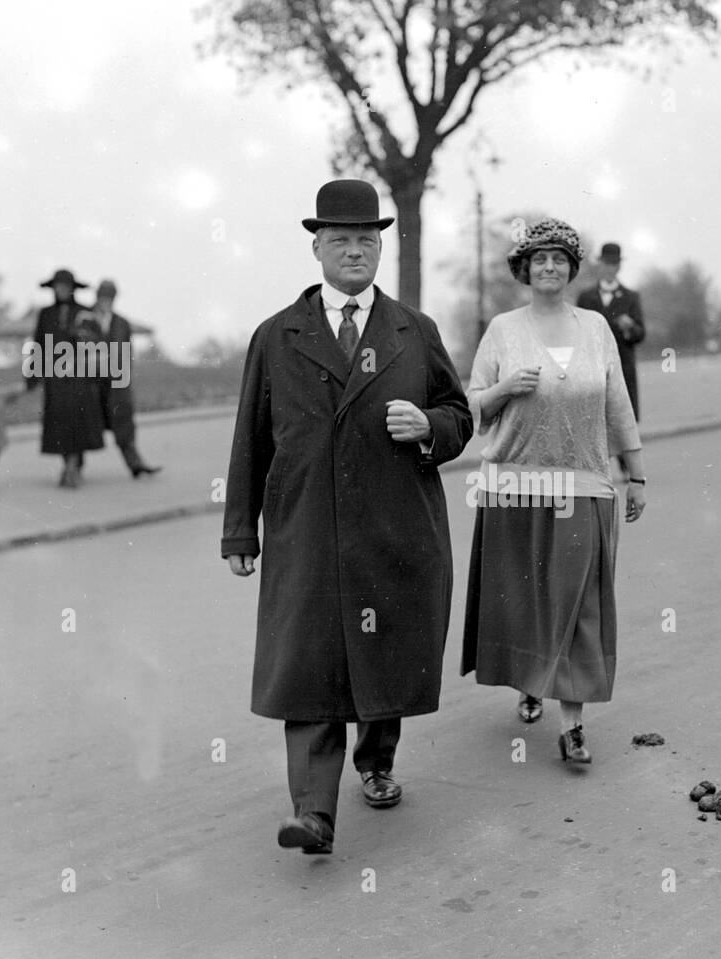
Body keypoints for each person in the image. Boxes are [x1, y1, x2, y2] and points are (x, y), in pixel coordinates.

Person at [222, 179, 472, 856]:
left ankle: (378, 759)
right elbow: (250, 437)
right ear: (317, 248)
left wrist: (430, 424)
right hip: (306, 529)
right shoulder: (277, 337)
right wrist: (241, 529)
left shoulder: (413, 331)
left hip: (395, 525)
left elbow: (459, 415)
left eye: (367, 239)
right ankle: (312, 812)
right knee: (308, 665)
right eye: (341, 240)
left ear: (381, 247)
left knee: (383, 654)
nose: (355, 251)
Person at [461, 218, 646, 766]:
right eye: (539, 259)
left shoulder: (595, 328)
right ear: (524, 269)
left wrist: (635, 474)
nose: (549, 267)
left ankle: (573, 726)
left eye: (559, 259)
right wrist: (502, 388)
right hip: (513, 485)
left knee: (579, 601)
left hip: (585, 482)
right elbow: (469, 404)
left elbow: (618, 405)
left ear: (571, 269)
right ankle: (528, 680)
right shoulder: (502, 330)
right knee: (523, 599)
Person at [25, 268, 107, 488]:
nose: (61, 290)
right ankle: (69, 464)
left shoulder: (84, 312)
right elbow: (38, 345)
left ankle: (74, 465)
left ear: (72, 289)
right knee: (60, 422)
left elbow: (97, 342)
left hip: (79, 376)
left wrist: (80, 334)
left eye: (66, 287)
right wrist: (33, 376)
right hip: (56, 378)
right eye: (58, 287)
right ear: (53, 289)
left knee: (78, 420)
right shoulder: (46, 314)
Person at [90, 279, 161, 478]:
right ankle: (73, 468)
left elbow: (126, 354)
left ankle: (136, 466)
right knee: (85, 425)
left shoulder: (121, 323)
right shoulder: (85, 318)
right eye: (102, 297)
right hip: (91, 383)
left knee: (123, 424)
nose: (105, 301)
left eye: (109, 298)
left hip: (115, 383)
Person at [576, 242, 645, 420]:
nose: (610, 268)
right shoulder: (585, 297)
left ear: (619, 266)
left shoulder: (631, 297)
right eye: (606, 264)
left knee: (623, 421)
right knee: (594, 419)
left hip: (622, 366)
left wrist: (629, 327)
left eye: (614, 264)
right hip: (593, 367)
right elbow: (577, 333)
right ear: (600, 264)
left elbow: (641, 334)